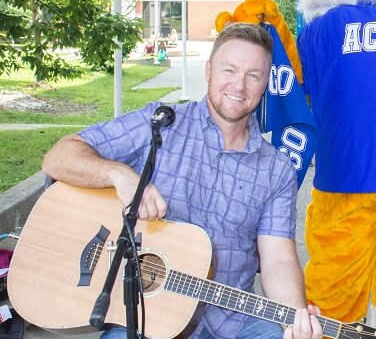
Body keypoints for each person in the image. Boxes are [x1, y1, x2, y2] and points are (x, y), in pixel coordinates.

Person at [42, 23, 322, 339]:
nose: (239, 85)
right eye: (229, 70)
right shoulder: (162, 125)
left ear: (265, 85)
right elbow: (59, 157)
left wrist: (294, 321)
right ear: (208, 71)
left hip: (229, 320)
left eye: (253, 76)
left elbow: (278, 261)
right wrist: (119, 175)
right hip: (145, 315)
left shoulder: (276, 169)